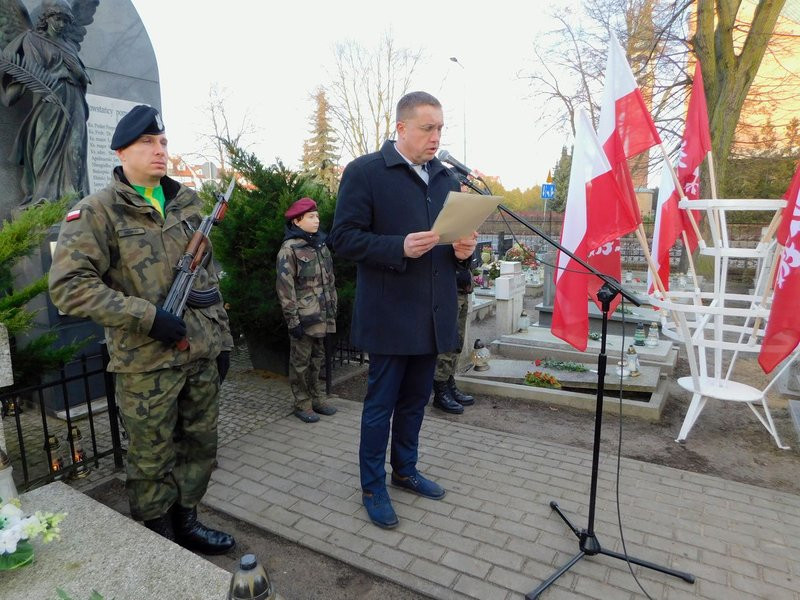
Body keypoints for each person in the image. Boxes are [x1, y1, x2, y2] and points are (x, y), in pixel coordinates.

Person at [48, 105, 235, 554]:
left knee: (199, 447)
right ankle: (159, 540)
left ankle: (187, 521)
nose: (159, 151)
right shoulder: (97, 211)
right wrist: (147, 316)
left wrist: (222, 339)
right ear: (121, 151)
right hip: (146, 362)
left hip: (200, 355)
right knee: (151, 458)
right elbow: (69, 287)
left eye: (163, 142)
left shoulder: (187, 202)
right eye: (147, 143)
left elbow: (206, 278)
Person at [330, 91, 477, 529]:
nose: (436, 137)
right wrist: (398, 246)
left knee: (415, 402)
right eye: (427, 128)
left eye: (440, 129)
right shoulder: (366, 173)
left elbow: (452, 250)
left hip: (433, 312)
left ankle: (405, 470)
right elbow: (342, 238)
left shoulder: (447, 180)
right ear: (401, 128)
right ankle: (373, 486)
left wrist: (464, 250)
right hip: (390, 314)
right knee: (381, 406)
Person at [0, 0, 96, 204]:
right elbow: (32, 71)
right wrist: (57, 73)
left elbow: (82, 76)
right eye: (57, 19)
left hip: (74, 100)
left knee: (75, 148)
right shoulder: (31, 40)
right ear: (46, 19)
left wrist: (77, 73)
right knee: (45, 148)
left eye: (65, 20)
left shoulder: (69, 45)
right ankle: (44, 199)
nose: (61, 24)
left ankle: (73, 197)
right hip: (48, 102)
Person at [276, 197, 338, 424]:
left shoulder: (320, 245)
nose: (317, 220)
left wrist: (332, 308)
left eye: (317, 216)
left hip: (322, 315)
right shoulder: (289, 249)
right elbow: (285, 288)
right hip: (304, 316)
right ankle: (302, 403)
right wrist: (293, 320)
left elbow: (329, 280)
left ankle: (317, 398)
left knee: (317, 358)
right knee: (300, 362)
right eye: (311, 217)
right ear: (297, 221)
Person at [432, 259, 476, 413]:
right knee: (448, 343)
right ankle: (440, 391)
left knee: (458, 341)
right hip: (448, 290)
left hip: (462, 290)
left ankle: (450, 383)